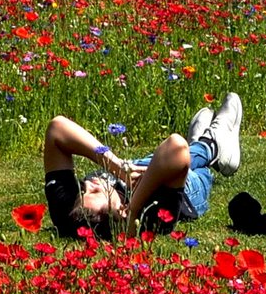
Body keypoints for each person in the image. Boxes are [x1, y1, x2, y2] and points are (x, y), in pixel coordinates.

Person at [41, 93, 243, 238]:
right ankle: (211, 143)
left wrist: (119, 168)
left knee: (155, 160)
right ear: (121, 211)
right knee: (189, 163)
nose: (89, 183)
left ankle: (201, 141)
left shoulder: (68, 213)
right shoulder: (150, 220)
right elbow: (176, 147)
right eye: (95, 191)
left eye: (83, 191)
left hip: (141, 166)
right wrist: (135, 206)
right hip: (182, 187)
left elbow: (57, 129)